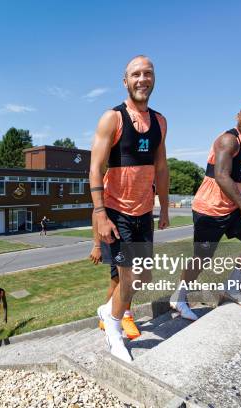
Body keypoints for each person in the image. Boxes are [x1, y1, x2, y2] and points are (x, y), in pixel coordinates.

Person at [90, 55, 170, 362]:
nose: (142, 79)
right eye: (135, 74)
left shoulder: (161, 121)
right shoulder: (112, 118)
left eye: (147, 73)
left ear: (153, 79)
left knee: (143, 277)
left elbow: (161, 168)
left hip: (143, 212)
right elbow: (95, 168)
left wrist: (163, 208)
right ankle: (114, 328)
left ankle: (108, 310)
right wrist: (99, 214)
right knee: (127, 278)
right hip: (116, 210)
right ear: (126, 81)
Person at [170, 100, 241, 321]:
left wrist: (240, 207)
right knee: (202, 257)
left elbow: (234, 181)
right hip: (210, 208)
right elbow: (221, 176)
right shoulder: (228, 140)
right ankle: (179, 297)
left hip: (231, 206)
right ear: (238, 115)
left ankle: (231, 288)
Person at [90, 212, 140, 340]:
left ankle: (118, 315)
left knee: (131, 278)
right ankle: (119, 316)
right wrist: (97, 245)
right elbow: (96, 212)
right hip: (115, 234)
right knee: (117, 280)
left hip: (137, 228)